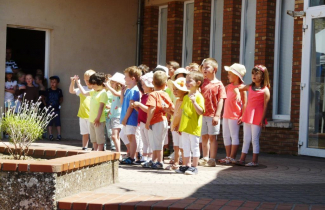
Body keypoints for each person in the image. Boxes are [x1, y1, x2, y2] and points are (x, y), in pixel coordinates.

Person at [234, 65, 271, 167]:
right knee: (246, 138)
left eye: (257, 73)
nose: (254, 75)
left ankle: (255, 161)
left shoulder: (265, 90)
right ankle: (242, 159)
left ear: (263, 76)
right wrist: (237, 93)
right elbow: (237, 88)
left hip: (258, 117)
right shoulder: (249, 87)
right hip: (248, 116)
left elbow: (265, 106)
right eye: (253, 73)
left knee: (255, 139)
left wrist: (262, 119)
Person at [199, 58, 227, 167]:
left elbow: (221, 100)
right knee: (204, 136)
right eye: (203, 67)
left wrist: (217, 115)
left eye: (207, 67)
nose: (204, 69)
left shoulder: (219, 84)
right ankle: (205, 157)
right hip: (202, 114)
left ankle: (212, 159)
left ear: (214, 69)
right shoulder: (201, 82)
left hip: (212, 115)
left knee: (212, 137)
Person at [144, 70, 174, 169]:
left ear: (152, 83)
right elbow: (171, 108)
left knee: (156, 142)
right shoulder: (165, 94)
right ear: (165, 84)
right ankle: (154, 160)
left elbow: (152, 108)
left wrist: (148, 121)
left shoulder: (152, 94)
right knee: (158, 142)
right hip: (163, 120)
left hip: (155, 121)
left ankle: (160, 161)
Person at [176, 71, 205, 175]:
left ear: (198, 83)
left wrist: (194, 102)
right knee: (185, 147)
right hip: (185, 127)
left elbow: (201, 111)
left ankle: (194, 167)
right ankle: (186, 165)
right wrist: (180, 126)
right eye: (186, 80)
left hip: (194, 127)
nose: (187, 83)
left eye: (189, 81)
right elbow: (183, 113)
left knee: (194, 147)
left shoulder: (199, 96)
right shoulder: (185, 96)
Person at [219, 63, 247, 164]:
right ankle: (228, 156)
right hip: (226, 115)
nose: (228, 76)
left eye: (230, 74)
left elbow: (245, 103)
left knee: (234, 135)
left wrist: (243, 115)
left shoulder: (243, 88)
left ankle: (232, 157)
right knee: (226, 135)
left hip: (235, 115)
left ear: (236, 76)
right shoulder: (228, 87)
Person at [76, 72, 108, 151]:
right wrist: (78, 83)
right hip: (92, 120)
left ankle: (100, 152)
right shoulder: (94, 92)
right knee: (93, 138)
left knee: (99, 137)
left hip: (98, 120)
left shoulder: (103, 93)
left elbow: (101, 107)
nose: (92, 86)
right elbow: (84, 93)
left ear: (100, 83)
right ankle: (94, 151)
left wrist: (98, 118)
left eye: (94, 84)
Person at [120, 66, 142, 164]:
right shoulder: (129, 90)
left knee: (131, 138)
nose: (124, 78)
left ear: (133, 78)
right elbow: (122, 102)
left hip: (131, 119)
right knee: (126, 136)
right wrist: (122, 92)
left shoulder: (134, 90)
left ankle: (132, 157)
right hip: (127, 119)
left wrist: (125, 118)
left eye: (126, 76)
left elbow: (131, 106)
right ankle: (130, 154)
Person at [69, 69, 95, 150]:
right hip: (82, 114)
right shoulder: (83, 88)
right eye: (86, 80)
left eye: (90, 80)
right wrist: (73, 82)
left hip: (92, 115)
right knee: (84, 133)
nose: (88, 82)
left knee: (93, 134)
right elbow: (71, 91)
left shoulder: (95, 90)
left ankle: (94, 148)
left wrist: (78, 83)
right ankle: (84, 147)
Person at [166, 77, 188, 170]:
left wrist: (180, 125)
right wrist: (169, 111)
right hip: (175, 125)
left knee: (182, 146)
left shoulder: (186, 100)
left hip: (181, 126)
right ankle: (176, 162)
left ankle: (184, 163)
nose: (174, 91)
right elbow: (176, 113)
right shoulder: (178, 100)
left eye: (177, 89)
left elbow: (184, 114)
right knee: (176, 145)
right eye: (174, 89)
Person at [132, 72, 154, 164]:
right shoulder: (145, 96)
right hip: (141, 121)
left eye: (144, 85)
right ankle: (144, 157)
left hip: (148, 121)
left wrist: (139, 104)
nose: (143, 87)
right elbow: (142, 110)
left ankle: (150, 157)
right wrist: (137, 107)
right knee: (144, 140)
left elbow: (148, 110)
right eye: (142, 85)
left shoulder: (151, 96)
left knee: (149, 141)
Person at [104, 72, 125, 152]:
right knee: (115, 136)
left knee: (114, 135)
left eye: (113, 83)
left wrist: (108, 86)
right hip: (113, 116)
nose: (111, 84)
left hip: (117, 116)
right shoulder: (115, 93)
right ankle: (118, 151)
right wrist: (110, 111)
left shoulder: (120, 92)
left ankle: (118, 152)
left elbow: (116, 93)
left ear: (118, 84)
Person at [45, 76, 63, 141]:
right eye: (51, 82)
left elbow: (61, 98)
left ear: (57, 83)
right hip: (49, 108)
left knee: (58, 122)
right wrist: (46, 105)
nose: (52, 83)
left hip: (56, 109)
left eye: (54, 82)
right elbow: (44, 98)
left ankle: (59, 135)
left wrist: (59, 104)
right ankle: (50, 135)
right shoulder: (48, 90)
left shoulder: (59, 91)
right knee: (50, 122)